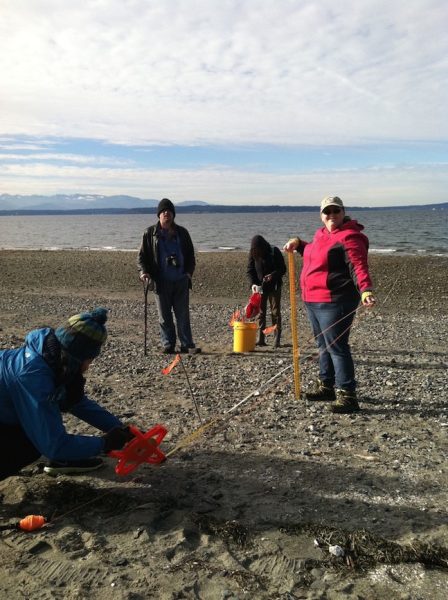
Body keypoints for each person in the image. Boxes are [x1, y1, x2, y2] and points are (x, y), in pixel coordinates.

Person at [0, 308, 135, 480]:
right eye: (90, 360)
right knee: (30, 446)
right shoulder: (33, 378)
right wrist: (104, 444)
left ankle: (67, 458)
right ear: (77, 357)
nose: (88, 367)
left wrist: (121, 429)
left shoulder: (50, 356)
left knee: (38, 431)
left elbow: (76, 402)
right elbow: (53, 445)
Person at [284, 196, 376, 413]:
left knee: (337, 346)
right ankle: (326, 386)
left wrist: (365, 290)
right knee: (322, 345)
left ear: (343, 213)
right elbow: (313, 253)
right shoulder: (321, 234)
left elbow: (358, 266)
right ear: (321, 215)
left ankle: (348, 395)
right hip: (313, 300)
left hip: (335, 301)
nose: (332, 216)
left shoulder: (351, 237)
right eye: (328, 212)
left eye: (336, 211)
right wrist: (298, 243)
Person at [137, 198, 200, 354]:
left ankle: (186, 344)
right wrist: (143, 272)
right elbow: (141, 257)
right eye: (164, 211)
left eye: (169, 211)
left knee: (183, 315)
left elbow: (191, 256)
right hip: (161, 281)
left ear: (173, 215)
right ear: (159, 215)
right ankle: (168, 344)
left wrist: (188, 274)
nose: (167, 214)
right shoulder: (149, 233)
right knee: (164, 317)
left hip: (180, 281)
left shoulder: (182, 233)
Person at [247, 235, 286, 348]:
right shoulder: (253, 253)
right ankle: (261, 338)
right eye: (255, 250)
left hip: (274, 287)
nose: (257, 253)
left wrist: (272, 275)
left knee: (275, 313)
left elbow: (282, 269)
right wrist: (253, 284)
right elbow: (250, 270)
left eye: (259, 250)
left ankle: (276, 339)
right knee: (260, 313)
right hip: (260, 288)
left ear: (263, 247)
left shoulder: (274, 251)